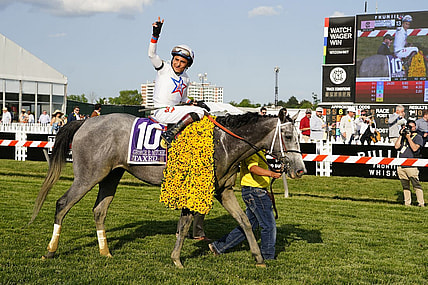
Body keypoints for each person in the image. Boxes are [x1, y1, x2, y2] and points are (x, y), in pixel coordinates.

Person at [208, 151, 281, 260]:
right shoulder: (253, 152)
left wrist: (266, 189)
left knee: (248, 225)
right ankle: (268, 256)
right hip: (255, 192)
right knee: (269, 225)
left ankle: (218, 246)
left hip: (255, 191)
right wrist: (272, 174)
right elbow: (253, 168)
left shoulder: (258, 151)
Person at [148, 17, 208, 148]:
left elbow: (183, 98)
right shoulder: (164, 67)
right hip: (161, 112)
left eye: (182, 62)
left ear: (187, 65)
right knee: (199, 113)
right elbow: (152, 55)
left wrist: (194, 102)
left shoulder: (186, 78)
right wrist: (155, 35)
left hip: (174, 111)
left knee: (201, 110)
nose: (177, 64)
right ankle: (170, 134)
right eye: (176, 59)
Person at [394, 120, 425, 207]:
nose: (410, 129)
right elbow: (396, 146)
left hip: (412, 165)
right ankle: (407, 203)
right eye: (409, 127)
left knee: (416, 185)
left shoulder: (418, 137)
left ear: (415, 127)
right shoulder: (403, 136)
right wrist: (401, 135)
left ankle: (421, 203)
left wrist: (408, 138)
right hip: (401, 164)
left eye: (412, 127)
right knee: (405, 186)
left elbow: (415, 148)